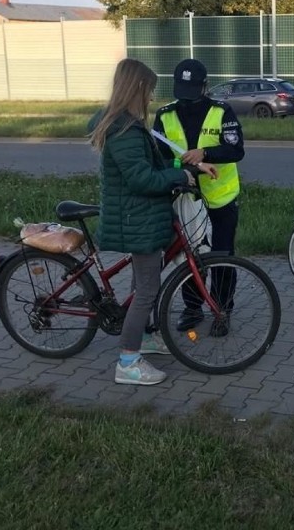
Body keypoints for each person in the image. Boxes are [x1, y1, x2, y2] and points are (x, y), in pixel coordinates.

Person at [88, 58, 217, 385]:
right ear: (136, 88)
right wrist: (179, 177)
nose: (150, 98)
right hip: (136, 218)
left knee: (141, 282)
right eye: (148, 90)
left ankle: (143, 337)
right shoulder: (125, 131)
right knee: (147, 289)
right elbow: (142, 178)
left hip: (141, 216)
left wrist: (188, 168)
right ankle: (127, 363)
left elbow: (155, 162)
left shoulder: (127, 125)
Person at [152, 59, 245, 335]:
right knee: (187, 256)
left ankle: (222, 310)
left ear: (204, 86)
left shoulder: (222, 111)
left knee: (222, 257)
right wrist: (182, 167)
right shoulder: (165, 114)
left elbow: (236, 150)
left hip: (221, 199)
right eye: (182, 89)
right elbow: (159, 158)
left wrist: (205, 153)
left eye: (192, 89)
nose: (186, 97)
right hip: (184, 198)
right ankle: (192, 308)